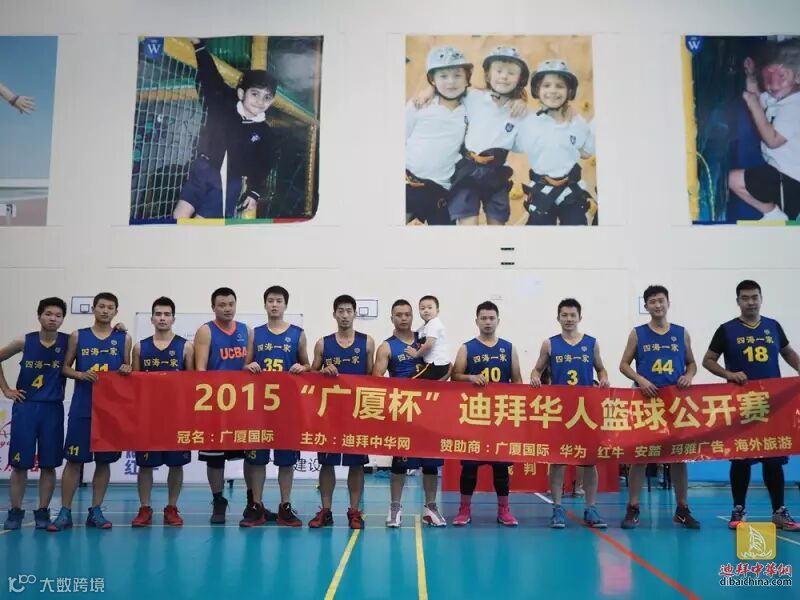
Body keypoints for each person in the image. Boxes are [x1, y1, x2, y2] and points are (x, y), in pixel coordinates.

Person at [702, 279, 800, 531]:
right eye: (745, 298)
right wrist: (729, 374)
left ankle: (779, 511)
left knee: (773, 458)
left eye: (754, 297)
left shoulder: (772, 326)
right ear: (738, 301)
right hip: (742, 404)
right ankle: (738, 509)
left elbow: (788, 352)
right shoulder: (726, 330)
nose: (750, 302)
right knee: (741, 458)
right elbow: (708, 360)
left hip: (773, 405)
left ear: (761, 299)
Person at [618, 285, 700, 529]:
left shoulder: (681, 333)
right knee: (640, 456)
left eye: (661, 300)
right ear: (646, 306)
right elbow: (624, 365)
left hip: (674, 403)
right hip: (646, 402)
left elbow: (692, 363)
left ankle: (682, 509)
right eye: (652, 301)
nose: (657, 305)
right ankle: (633, 507)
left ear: (668, 303)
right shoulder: (638, 334)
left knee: (678, 456)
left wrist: (689, 376)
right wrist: (641, 380)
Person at [49, 293, 132, 531]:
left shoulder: (124, 338)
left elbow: (128, 368)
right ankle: (64, 511)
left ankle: (96, 510)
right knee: (74, 461)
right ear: (94, 309)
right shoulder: (78, 336)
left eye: (110, 308)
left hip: (111, 410)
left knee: (104, 462)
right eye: (101, 306)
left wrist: (127, 368)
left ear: (116, 312)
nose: (105, 311)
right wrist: (80, 374)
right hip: (83, 406)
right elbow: (64, 367)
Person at [173, 38, 278, 219]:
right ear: (242, 93)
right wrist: (199, 46)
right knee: (179, 216)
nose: (260, 101)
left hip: (227, 181)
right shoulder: (225, 106)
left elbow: (264, 164)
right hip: (202, 169)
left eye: (267, 97)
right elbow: (211, 77)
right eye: (255, 94)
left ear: (272, 101)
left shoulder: (265, 133)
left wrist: (254, 192)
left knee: (201, 225)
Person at [530, 298, 609, 528]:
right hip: (560, 411)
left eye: (572, 315)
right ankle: (557, 508)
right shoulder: (550, 344)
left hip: (585, 411)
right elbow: (537, 369)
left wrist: (604, 378)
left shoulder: (591, 343)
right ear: (558, 318)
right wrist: (535, 377)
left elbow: (601, 368)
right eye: (564, 315)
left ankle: (591, 508)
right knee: (558, 461)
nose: (568, 319)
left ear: (579, 317)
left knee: (589, 461)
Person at [373, 299, 446, 527]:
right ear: (392, 318)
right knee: (400, 463)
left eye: (407, 314)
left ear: (412, 317)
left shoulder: (424, 339)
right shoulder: (386, 347)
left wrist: (436, 385)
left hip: (429, 413)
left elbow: (444, 365)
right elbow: (376, 381)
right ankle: (395, 507)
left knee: (430, 463)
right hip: (403, 413)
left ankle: (431, 508)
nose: (403, 318)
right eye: (399, 315)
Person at [242, 285, 310, 527]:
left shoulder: (298, 334)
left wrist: (303, 367)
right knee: (257, 460)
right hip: (259, 409)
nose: (274, 304)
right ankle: (257, 506)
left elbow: (308, 366)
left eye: (278, 301)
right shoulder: (256, 333)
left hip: (287, 409)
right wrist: (248, 366)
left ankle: (285, 506)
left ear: (285, 305)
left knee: (286, 461)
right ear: (265, 304)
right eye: (270, 300)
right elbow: (245, 365)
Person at [450, 301, 521, 526]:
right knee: (469, 467)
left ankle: (504, 510)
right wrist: (470, 377)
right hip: (475, 417)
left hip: (500, 417)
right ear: (477, 321)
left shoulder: (509, 348)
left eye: (491, 318)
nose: (488, 322)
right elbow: (454, 376)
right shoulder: (467, 348)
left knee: (501, 467)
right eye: (484, 318)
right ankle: (464, 510)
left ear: (498, 321)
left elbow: (517, 381)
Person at [308, 295, 375, 529]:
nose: (345, 315)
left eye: (349, 311)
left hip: (357, 413)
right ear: (334, 314)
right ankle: (325, 510)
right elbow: (310, 375)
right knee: (327, 464)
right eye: (341, 311)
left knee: (356, 464)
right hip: (329, 414)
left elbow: (372, 378)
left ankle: (354, 511)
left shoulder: (367, 343)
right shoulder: (323, 344)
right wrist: (322, 372)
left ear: (355, 313)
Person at [1, 297, 68, 530]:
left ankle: (43, 511)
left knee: (49, 465)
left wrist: (119, 329)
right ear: (39, 316)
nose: (53, 319)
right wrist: (6, 390)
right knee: (20, 465)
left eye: (58, 315)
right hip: (26, 407)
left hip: (53, 408)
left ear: (62, 319)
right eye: (48, 314)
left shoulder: (69, 342)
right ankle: (15, 511)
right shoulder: (24, 341)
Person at [130, 297, 193, 528]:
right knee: (145, 464)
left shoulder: (185, 347)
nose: (162, 318)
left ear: (173, 319)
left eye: (167, 314)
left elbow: (193, 383)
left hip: (177, 417)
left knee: (176, 465)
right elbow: (134, 384)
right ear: (152, 318)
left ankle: (172, 507)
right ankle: (145, 507)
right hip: (148, 417)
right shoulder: (140, 347)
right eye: (158, 314)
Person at [447, 47, 529, 225]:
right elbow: (447, 91)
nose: (504, 76)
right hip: (468, 171)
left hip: (496, 174)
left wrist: (522, 104)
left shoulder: (521, 112)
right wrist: (429, 91)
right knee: (468, 225)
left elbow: (520, 146)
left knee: (497, 225)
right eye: (498, 71)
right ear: (488, 75)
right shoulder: (473, 97)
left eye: (511, 73)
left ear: (520, 78)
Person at [193, 287, 252, 524]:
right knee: (215, 457)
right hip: (215, 405)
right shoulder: (206, 331)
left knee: (251, 455)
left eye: (230, 304)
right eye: (222, 305)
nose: (227, 309)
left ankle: (252, 502)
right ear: (213, 307)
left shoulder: (246, 330)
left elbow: (250, 365)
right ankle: (218, 500)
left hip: (243, 405)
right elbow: (200, 370)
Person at [514, 59, 595, 225]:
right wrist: (517, 103)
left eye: (559, 86)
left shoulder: (576, 121)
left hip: (571, 192)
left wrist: (577, 122)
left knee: (577, 231)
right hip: (541, 191)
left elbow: (587, 152)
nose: (553, 91)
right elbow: (514, 143)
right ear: (537, 90)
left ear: (569, 91)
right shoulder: (529, 121)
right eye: (546, 85)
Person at [729, 41, 800, 220]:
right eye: (769, 77)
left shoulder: (794, 106)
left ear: (798, 77)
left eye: (781, 76)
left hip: (790, 179)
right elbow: (759, 99)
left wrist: (754, 105)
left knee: (733, 180)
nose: (773, 84)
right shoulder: (781, 95)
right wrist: (752, 77)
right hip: (779, 170)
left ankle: (775, 215)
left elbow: (773, 141)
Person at [406, 46, 470, 225]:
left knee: (444, 238)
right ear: (432, 80)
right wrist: (430, 90)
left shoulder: (469, 108)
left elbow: (492, 96)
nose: (451, 82)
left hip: (442, 190)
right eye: (443, 76)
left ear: (467, 78)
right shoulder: (419, 105)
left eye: (457, 75)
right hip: (409, 182)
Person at [405, 295, 450, 380]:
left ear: (437, 311)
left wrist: (416, 354)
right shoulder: (426, 325)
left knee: (411, 381)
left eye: (430, 308)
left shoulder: (434, 323)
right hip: (432, 364)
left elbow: (429, 344)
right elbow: (415, 334)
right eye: (422, 308)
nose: (426, 310)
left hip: (436, 364)